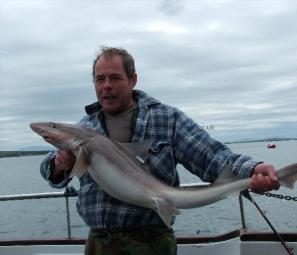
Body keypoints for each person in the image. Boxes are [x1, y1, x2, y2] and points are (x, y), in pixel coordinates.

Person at [40, 47, 279, 255]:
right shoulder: (85, 127)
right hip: (99, 244)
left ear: (133, 79)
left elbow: (211, 155)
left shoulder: (166, 118)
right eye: (99, 79)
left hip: (151, 242)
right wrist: (59, 165)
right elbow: (50, 172)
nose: (106, 86)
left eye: (114, 78)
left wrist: (252, 169)